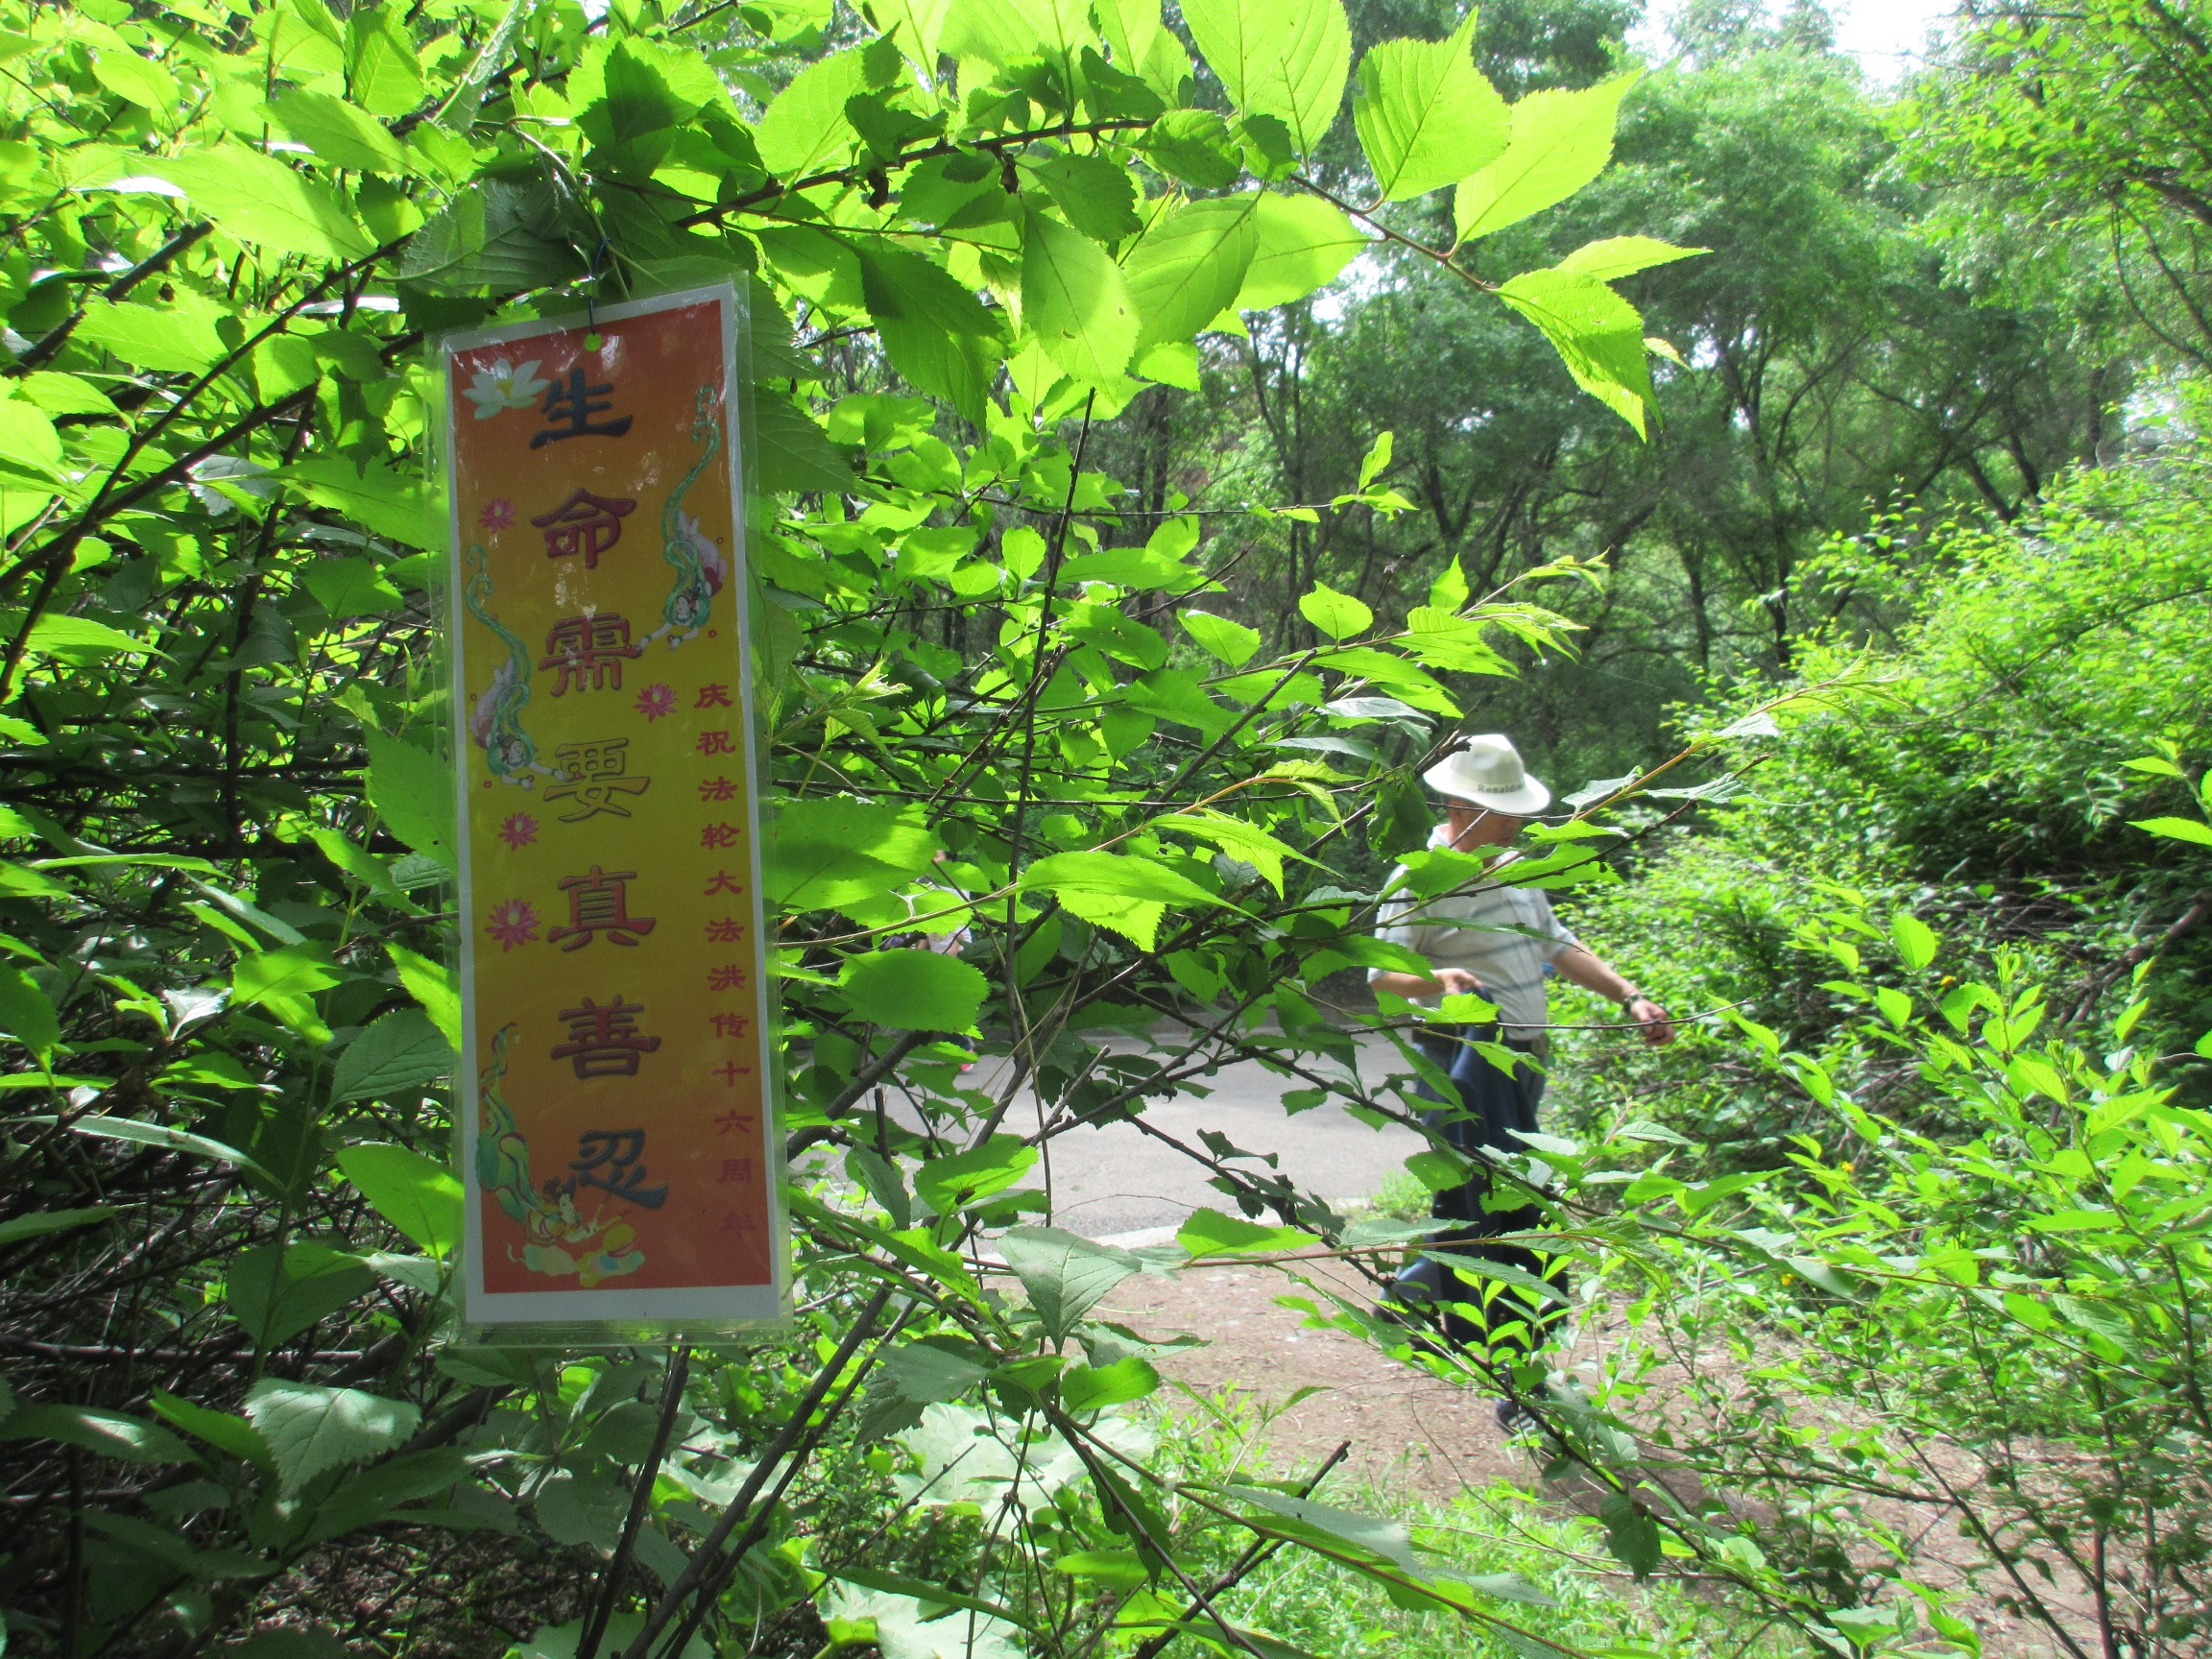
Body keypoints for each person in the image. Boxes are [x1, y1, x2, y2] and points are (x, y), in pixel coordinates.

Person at [1366, 734, 1673, 1422]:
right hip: (1459, 1060)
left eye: (1515, 810)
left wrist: (1629, 997)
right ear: (1459, 806)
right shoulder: (1417, 876)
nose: (1515, 822)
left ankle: (1411, 1294)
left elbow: (1558, 948)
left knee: (1491, 1196)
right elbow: (1382, 977)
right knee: (1499, 1203)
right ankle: (1512, 1373)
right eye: (1502, 810)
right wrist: (1441, 979)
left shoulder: (1518, 870)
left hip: (1525, 1059)